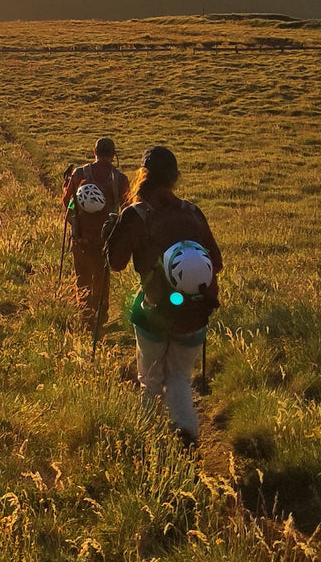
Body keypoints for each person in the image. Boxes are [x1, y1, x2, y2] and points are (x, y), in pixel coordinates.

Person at [103, 145, 223, 447]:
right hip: (196, 313)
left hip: (154, 312)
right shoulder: (193, 212)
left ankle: (148, 438)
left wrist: (111, 235)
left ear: (143, 175)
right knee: (180, 376)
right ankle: (186, 432)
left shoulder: (136, 214)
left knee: (151, 378)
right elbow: (216, 263)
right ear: (175, 177)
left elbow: (115, 263)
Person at [62, 137, 129, 331]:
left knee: (82, 277)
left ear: (94, 152)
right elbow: (128, 207)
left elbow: (68, 202)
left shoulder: (79, 174)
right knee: (102, 277)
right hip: (105, 240)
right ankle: (100, 315)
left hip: (80, 237)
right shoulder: (120, 179)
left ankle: (85, 316)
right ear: (113, 155)